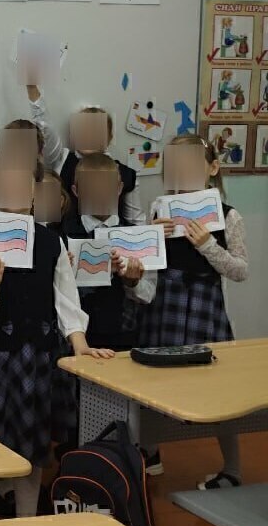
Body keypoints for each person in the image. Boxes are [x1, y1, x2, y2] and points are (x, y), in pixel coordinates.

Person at [0, 157, 114, 520]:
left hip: (38, 356)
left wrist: (80, 343)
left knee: (33, 443)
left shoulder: (50, 241)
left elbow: (66, 299)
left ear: (33, 192)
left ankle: (27, 518)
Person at [139, 134, 248, 488]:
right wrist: (150, 237)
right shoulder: (159, 208)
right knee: (153, 381)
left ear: (212, 167)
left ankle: (232, 469)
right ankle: (150, 453)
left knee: (218, 388)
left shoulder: (229, 216)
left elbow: (240, 270)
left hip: (205, 307)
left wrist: (207, 244)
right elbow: (146, 264)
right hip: (165, 305)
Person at [62, 153, 151, 352]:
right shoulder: (63, 236)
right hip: (76, 339)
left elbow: (149, 294)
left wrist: (132, 282)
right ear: (76, 191)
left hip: (125, 336)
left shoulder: (136, 235)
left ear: (119, 188)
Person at [26, 85, 142, 224]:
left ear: (109, 138)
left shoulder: (127, 174)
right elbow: (46, 129)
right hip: (66, 234)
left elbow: (136, 222)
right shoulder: (61, 160)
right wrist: (32, 88)